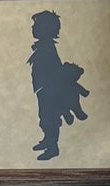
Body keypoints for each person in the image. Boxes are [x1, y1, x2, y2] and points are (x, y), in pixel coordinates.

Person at [28, 9, 88, 160]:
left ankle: (53, 147)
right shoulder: (43, 47)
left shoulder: (47, 48)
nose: (32, 28)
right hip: (43, 90)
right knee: (44, 117)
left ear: (45, 29)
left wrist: (51, 90)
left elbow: (53, 70)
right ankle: (47, 140)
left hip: (49, 91)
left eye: (36, 25)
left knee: (50, 119)